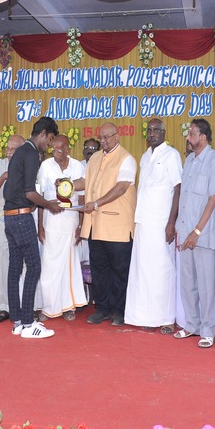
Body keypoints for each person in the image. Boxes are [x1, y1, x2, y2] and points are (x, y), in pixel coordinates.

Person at [3, 116, 62, 338]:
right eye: (50, 139)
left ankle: (18, 322)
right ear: (43, 133)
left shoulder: (20, 152)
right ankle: (29, 323)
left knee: (15, 268)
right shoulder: (30, 154)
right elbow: (29, 192)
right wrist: (49, 205)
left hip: (10, 217)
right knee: (34, 267)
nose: (49, 144)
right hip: (21, 217)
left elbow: (13, 189)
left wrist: (41, 203)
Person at [124, 118, 181, 331]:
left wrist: (171, 222)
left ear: (164, 133)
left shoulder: (171, 155)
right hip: (143, 222)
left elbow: (178, 188)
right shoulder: (145, 156)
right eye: (149, 130)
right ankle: (146, 318)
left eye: (156, 130)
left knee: (162, 270)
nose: (152, 133)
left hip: (161, 223)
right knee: (143, 271)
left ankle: (166, 319)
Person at [80, 122, 137, 327]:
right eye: (101, 137)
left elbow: (121, 188)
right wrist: (65, 184)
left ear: (116, 136)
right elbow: (84, 182)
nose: (103, 141)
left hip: (118, 226)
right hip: (96, 226)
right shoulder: (95, 158)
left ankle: (119, 312)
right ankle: (102, 309)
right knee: (99, 270)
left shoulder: (126, 159)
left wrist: (96, 203)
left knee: (119, 272)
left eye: (106, 137)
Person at [174, 118, 215, 348]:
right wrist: (180, 228)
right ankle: (191, 325)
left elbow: (213, 199)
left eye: (191, 133)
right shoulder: (190, 161)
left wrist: (197, 231)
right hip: (185, 232)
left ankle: (207, 330)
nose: (188, 137)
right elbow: (184, 198)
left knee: (205, 285)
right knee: (187, 283)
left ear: (203, 137)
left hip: (202, 235)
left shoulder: (214, 160)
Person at [36, 134, 87, 320]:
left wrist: (81, 225)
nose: (55, 153)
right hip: (51, 221)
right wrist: (40, 226)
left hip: (71, 221)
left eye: (59, 150)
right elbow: (40, 196)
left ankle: (68, 307)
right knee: (50, 266)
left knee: (68, 266)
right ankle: (48, 307)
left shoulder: (77, 166)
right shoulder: (45, 166)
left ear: (67, 150)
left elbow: (82, 197)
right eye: (53, 150)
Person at [0, 134, 25, 323]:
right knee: (4, 262)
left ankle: (28, 305)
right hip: (4, 219)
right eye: (7, 149)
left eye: (13, 149)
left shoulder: (30, 165)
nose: (9, 153)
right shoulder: (0, 166)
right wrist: (3, 177)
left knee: (27, 264)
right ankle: (5, 306)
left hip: (25, 218)